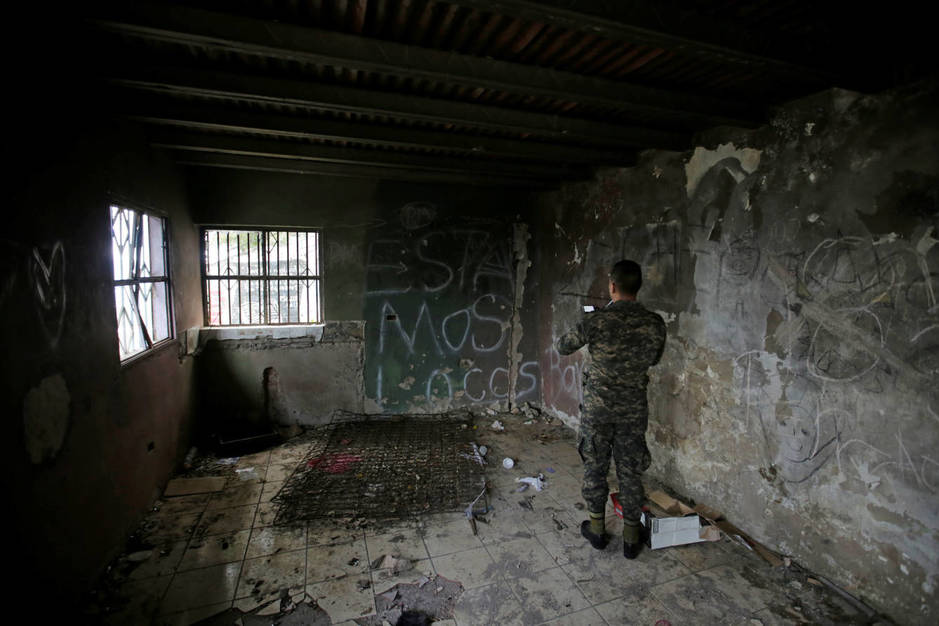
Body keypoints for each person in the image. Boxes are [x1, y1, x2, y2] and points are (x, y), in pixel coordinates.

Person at [556, 260, 666, 559]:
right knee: (630, 470)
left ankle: (597, 529)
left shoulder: (597, 321)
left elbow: (562, 346)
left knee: (595, 465)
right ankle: (631, 537)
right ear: (638, 286)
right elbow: (654, 359)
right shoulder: (654, 323)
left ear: (612, 286)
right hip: (632, 409)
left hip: (598, 410)